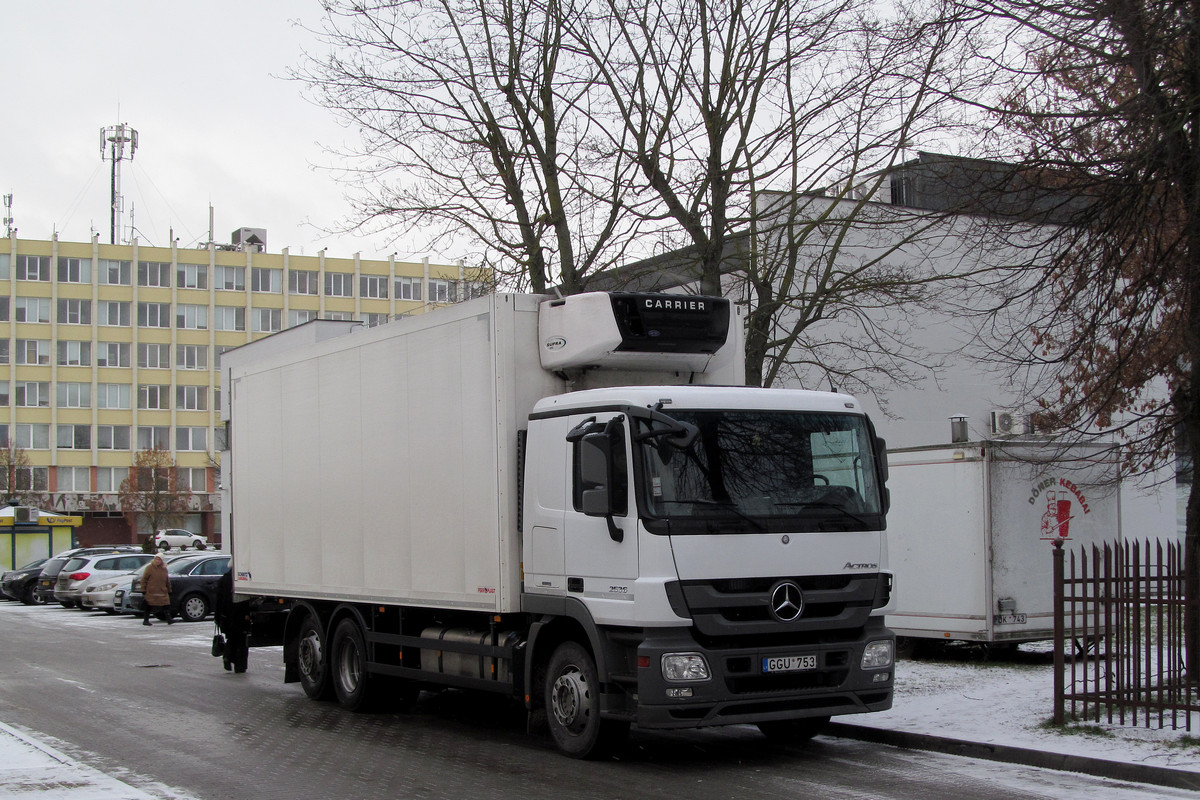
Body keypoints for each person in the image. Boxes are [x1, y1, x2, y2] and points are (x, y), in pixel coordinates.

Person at [214, 568, 250, 673]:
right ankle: (239, 665)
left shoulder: (223, 579)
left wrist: (217, 617)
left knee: (231, 637)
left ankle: (228, 656)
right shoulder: (243, 579)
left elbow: (218, 600)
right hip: (240, 613)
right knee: (242, 640)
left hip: (226, 616)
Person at [141, 554, 172, 626]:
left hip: (162, 591)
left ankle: (169, 619)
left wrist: (169, 589)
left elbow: (167, 581)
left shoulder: (164, 569)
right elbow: (144, 579)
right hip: (151, 591)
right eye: (156, 559)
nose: (157, 561)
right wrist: (143, 589)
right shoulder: (149, 568)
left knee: (166, 605)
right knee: (149, 605)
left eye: (159, 559)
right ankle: (146, 620)